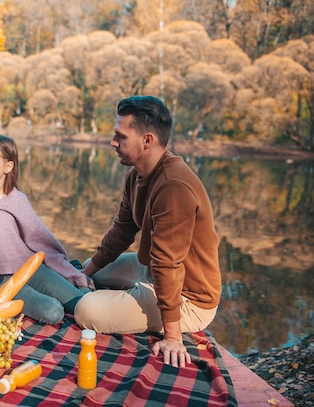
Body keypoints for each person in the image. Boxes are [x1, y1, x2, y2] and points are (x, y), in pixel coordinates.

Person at [74, 96, 222, 368]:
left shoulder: (174, 186)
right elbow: (122, 230)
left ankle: (150, 308)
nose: (113, 142)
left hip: (189, 298)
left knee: (85, 310)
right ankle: (120, 289)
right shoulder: (137, 175)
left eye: (121, 136)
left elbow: (169, 262)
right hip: (152, 271)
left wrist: (174, 337)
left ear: (147, 140)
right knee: (88, 269)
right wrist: (87, 271)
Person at [0, 134, 93, 325]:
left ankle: (79, 290)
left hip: (31, 268)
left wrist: (72, 273)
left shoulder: (17, 199)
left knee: (81, 303)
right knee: (53, 311)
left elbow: (41, 241)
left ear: (8, 166)